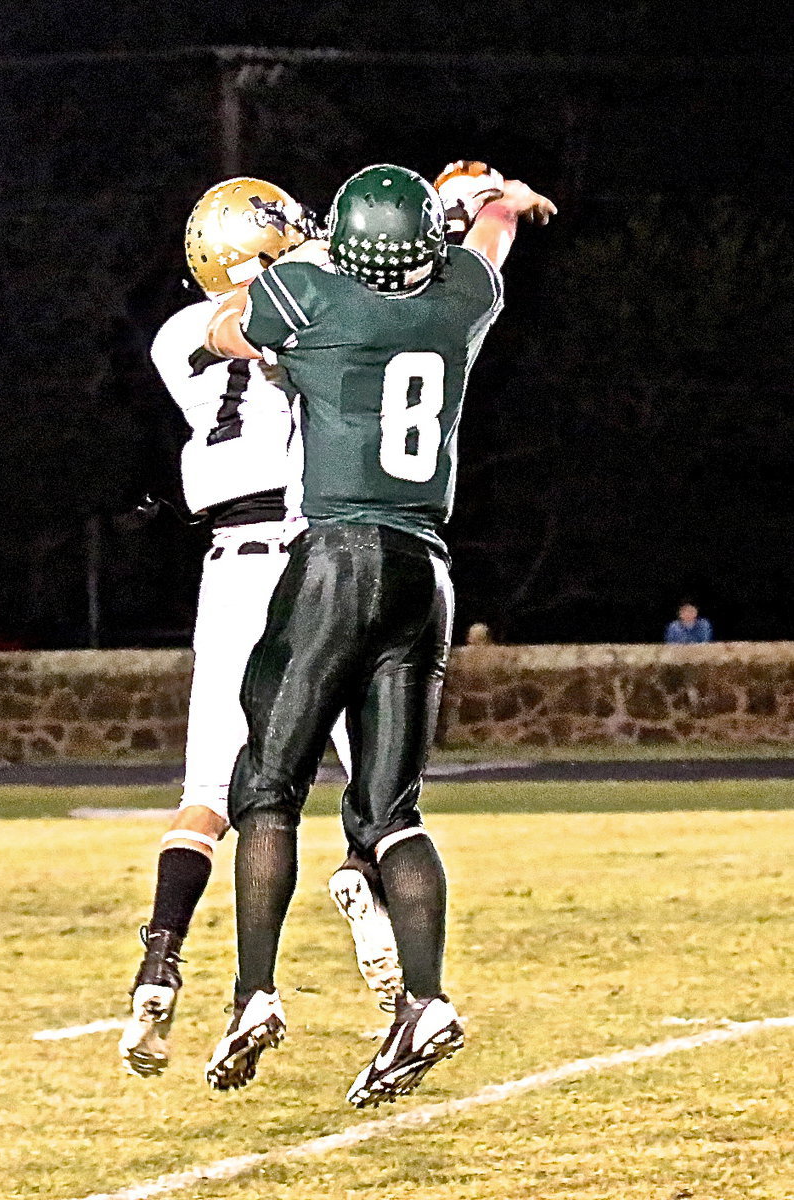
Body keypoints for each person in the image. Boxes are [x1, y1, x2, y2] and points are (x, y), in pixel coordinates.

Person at [201, 161, 556, 1106]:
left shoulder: (311, 292)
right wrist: (498, 200)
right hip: (423, 571)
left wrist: (300, 254)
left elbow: (223, 328)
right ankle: (426, 1000)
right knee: (390, 813)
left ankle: (252, 995)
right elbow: (491, 237)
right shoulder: (459, 298)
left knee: (266, 789)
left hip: (335, 559)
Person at [118, 177, 402, 1080]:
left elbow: (241, 323)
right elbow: (281, 321)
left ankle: (158, 965)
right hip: (315, 548)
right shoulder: (298, 307)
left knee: (208, 787)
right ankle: (365, 882)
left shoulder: (176, 334)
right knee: (368, 764)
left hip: (231, 567)